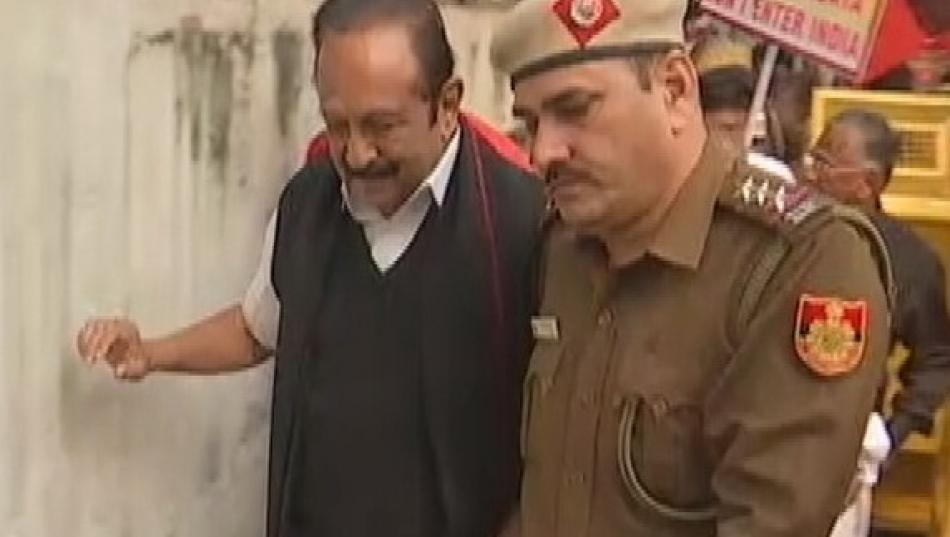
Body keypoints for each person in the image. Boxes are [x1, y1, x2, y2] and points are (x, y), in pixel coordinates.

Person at [76, 1, 546, 537]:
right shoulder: (307, 204)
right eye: (338, 124)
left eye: (382, 126)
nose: (358, 154)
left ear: (446, 105)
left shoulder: (524, 222)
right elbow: (258, 327)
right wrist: (152, 352)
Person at [490, 0, 894, 535]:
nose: (544, 152)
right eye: (531, 123)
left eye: (575, 109)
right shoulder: (561, 245)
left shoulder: (798, 263)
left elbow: (771, 522)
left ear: (675, 90)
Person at [807, 109, 950, 537]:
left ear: (866, 184)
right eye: (813, 158)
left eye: (826, 163)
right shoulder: (786, 233)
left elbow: (937, 358)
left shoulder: (908, 260)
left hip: (843, 455)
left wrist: (891, 434)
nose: (812, 173)